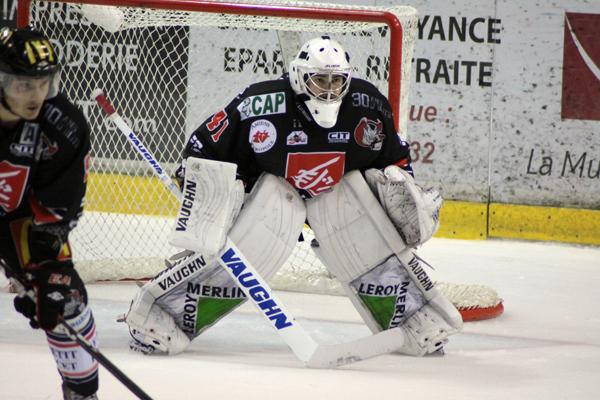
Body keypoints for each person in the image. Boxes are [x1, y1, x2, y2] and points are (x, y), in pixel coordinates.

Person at [124, 36, 462, 359]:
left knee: (354, 211)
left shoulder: (368, 105)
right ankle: (158, 313)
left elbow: (396, 160)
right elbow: (202, 149)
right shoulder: (259, 104)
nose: (329, 90)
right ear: (300, 79)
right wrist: (215, 202)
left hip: (336, 196)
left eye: (336, 81)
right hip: (266, 197)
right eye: (320, 80)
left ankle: (414, 318)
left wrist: (402, 196)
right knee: (253, 241)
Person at [0, 27, 99, 399]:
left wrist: (44, 277)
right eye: (23, 85)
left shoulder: (64, 125)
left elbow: (57, 213)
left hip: (19, 217)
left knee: (66, 299)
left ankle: (82, 392)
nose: (36, 95)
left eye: (43, 83)